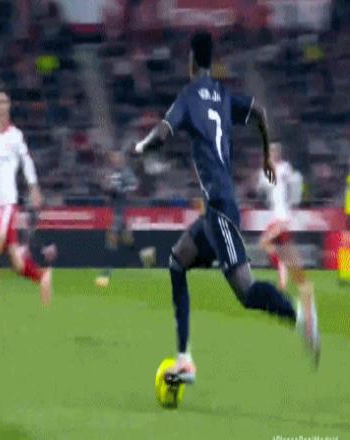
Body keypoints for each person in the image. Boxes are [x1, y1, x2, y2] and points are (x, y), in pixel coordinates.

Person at [134, 31, 320, 384]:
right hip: (215, 210)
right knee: (177, 262)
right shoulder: (221, 95)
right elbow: (259, 112)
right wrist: (266, 155)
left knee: (246, 291)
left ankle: (301, 318)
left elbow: (162, 133)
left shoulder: (189, 96)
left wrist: (140, 148)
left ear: (191, 60)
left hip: (220, 208)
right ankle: (184, 359)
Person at [0, 84, 52, 334]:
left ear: (8, 107)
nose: (1, 106)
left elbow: (27, 162)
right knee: (17, 264)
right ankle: (41, 277)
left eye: (4, 102)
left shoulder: (15, 136)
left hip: (8, 204)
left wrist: (34, 187)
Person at [95, 150, 155, 287]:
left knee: (111, 239)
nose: (114, 160)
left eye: (116, 157)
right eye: (112, 158)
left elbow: (134, 185)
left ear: (121, 159)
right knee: (128, 241)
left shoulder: (126, 172)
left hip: (122, 212)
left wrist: (120, 190)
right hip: (115, 210)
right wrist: (106, 187)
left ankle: (106, 272)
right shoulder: (112, 173)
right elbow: (107, 188)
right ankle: (146, 256)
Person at [256, 142, 303, 290]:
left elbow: (295, 183)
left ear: (278, 153)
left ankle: (286, 268)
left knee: (264, 242)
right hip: (276, 216)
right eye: (270, 152)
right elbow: (261, 187)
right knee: (281, 248)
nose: (271, 154)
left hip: (282, 217)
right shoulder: (267, 170)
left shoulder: (285, 168)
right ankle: (283, 280)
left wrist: (293, 203)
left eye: (273, 152)